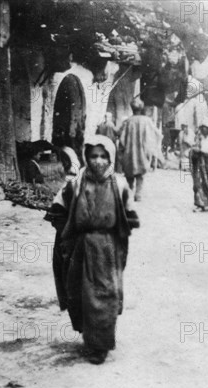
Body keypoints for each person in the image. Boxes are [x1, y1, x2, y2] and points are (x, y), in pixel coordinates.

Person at [44, 135, 139, 365]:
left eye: (103, 156)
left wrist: (118, 243)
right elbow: (58, 210)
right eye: (93, 156)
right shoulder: (75, 184)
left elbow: (129, 216)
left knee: (104, 295)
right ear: (86, 156)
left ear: (111, 158)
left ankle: (101, 345)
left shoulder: (119, 184)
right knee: (79, 293)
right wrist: (68, 237)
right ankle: (89, 336)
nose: (98, 161)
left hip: (107, 248)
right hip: (80, 247)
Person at [118, 99, 159, 201]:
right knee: (140, 174)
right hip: (142, 151)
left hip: (129, 152)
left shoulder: (127, 121)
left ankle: (130, 192)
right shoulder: (147, 121)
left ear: (132, 109)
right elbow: (155, 135)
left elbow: (121, 137)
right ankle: (138, 194)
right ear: (141, 108)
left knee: (129, 174)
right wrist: (152, 153)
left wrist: (121, 152)